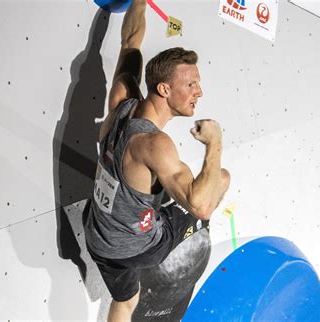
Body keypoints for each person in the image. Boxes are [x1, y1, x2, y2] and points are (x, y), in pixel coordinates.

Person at [83, 1, 231, 321]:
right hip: (138, 248)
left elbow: (131, 41)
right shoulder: (155, 144)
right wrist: (215, 141)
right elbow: (200, 206)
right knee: (219, 180)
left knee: (126, 301)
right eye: (190, 84)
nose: (199, 92)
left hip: (98, 235)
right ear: (164, 89)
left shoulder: (123, 100)